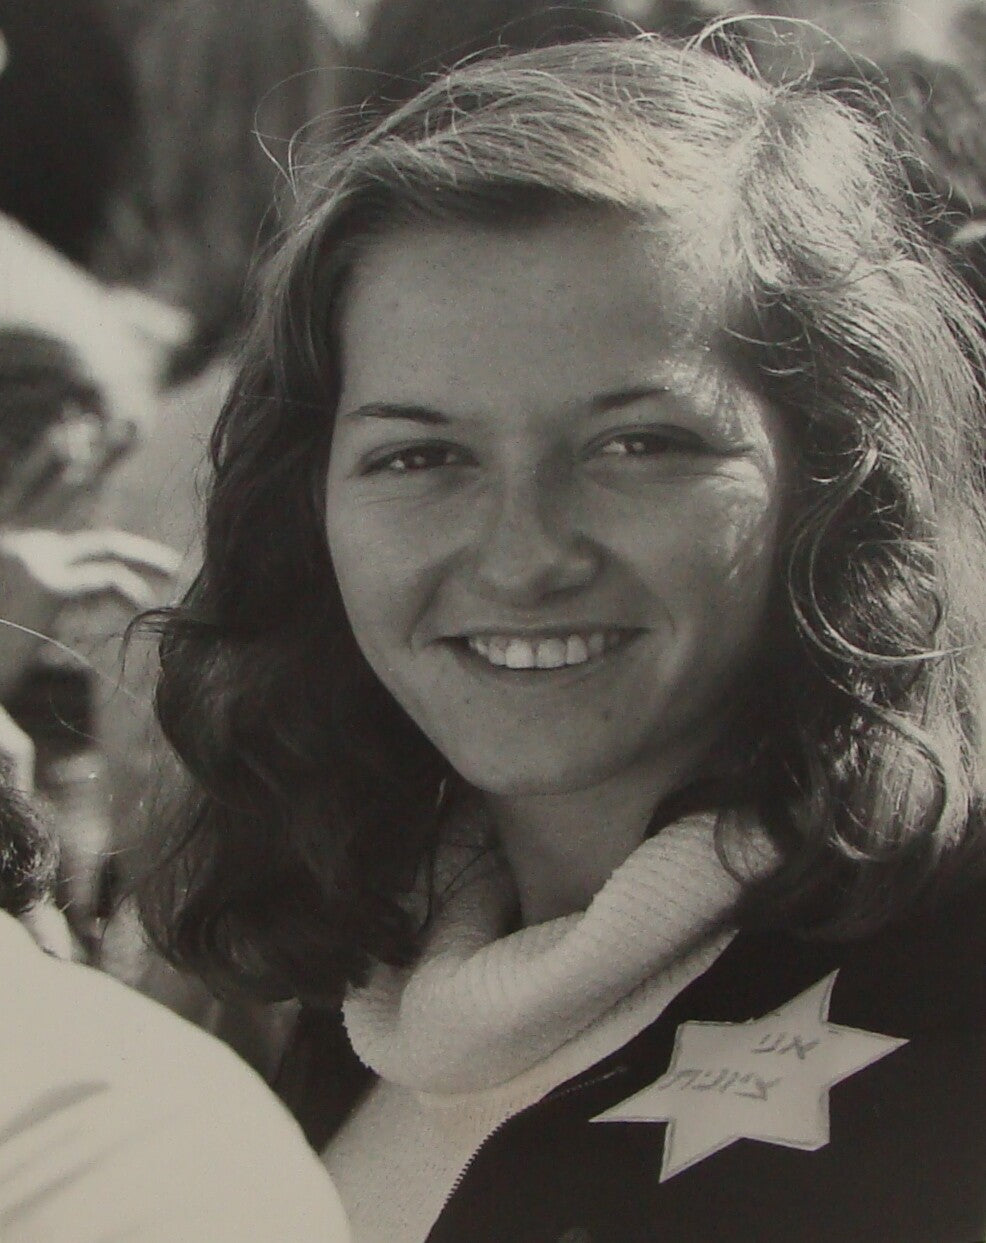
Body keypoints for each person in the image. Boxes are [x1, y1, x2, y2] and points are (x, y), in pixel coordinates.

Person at [138, 33, 986, 1242]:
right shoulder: (302, 981)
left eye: (638, 445)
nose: (523, 554)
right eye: (419, 456)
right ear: (305, 503)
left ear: (839, 478)